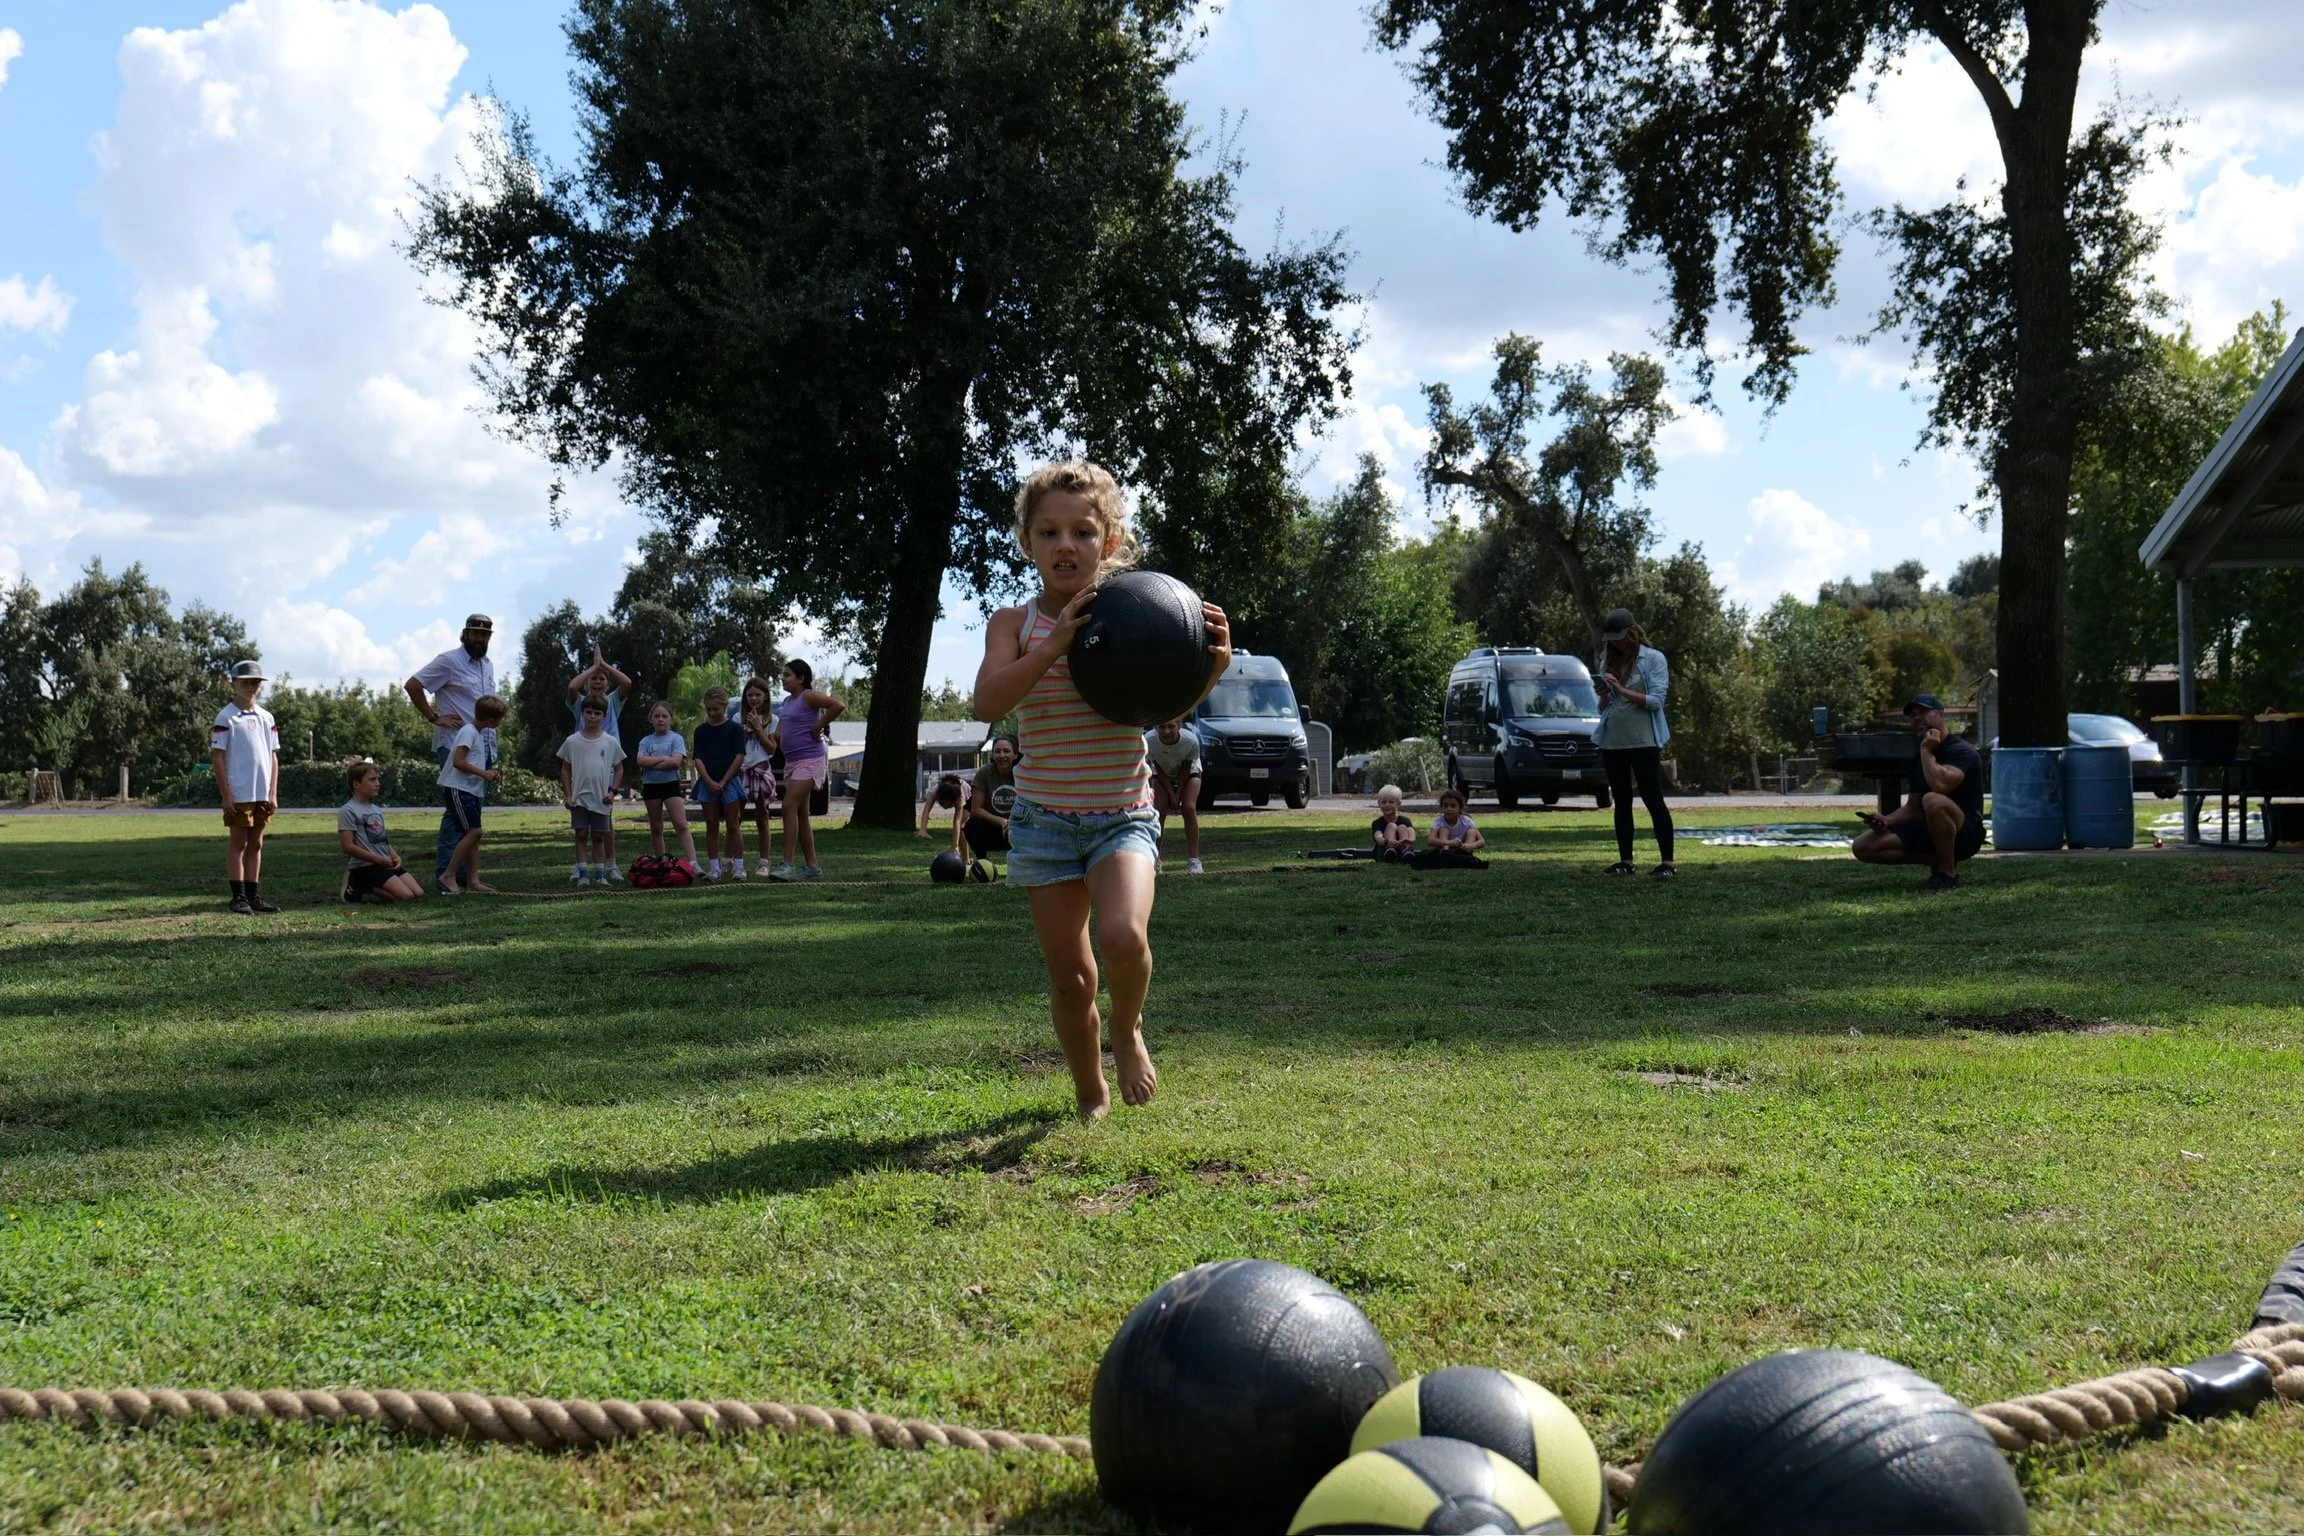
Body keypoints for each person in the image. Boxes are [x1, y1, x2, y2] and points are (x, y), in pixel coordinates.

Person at [973, 459, 1230, 1120]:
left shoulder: (1141, 613)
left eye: (1083, 532)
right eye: (1049, 532)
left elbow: (1158, 706)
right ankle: (1090, 1090)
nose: (1066, 545)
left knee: (1122, 938)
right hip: (1043, 821)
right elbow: (986, 702)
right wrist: (1054, 645)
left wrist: (1210, 670)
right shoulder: (1014, 622)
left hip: (1122, 814)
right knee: (1073, 979)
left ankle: (1128, 1028)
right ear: (1027, 543)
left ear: (1110, 542)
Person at [1851, 693, 1987, 890]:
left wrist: (1926, 751)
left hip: (1965, 834)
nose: (1917, 719)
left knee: (1933, 800)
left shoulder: (1961, 751)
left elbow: (1940, 785)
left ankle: (1947, 875)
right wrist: (1887, 820)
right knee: (1862, 846)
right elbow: (1913, 808)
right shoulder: (1917, 759)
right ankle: (1938, 860)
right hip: (1930, 829)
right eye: (1913, 716)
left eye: (1923, 712)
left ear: (1941, 715)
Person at [405, 615, 497, 885]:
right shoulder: (448, 661)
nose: (480, 639)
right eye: (475, 634)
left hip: (484, 747)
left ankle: (468, 876)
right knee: (455, 813)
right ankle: (448, 873)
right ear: (464, 634)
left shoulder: (487, 665)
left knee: (471, 813)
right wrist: (434, 717)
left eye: (485, 635)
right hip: (456, 746)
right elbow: (413, 685)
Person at [1593, 606, 1676, 877]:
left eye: (1618, 636)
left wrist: (1622, 690)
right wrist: (1605, 693)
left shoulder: (1653, 659)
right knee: (1622, 799)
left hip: (1643, 739)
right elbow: (1605, 707)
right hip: (1613, 738)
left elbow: (1656, 701)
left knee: (1653, 798)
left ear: (1631, 633)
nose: (1613, 643)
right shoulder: (1607, 661)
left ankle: (1667, 863)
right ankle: (1626, 861)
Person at [211, 658, 282, 914]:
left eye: (255, 683)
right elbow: (218, 756)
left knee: (257, 844)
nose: (251, 687)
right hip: (239, 791)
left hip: (261, 791)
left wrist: (272, 792)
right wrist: (226, 794)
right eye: (245, 682)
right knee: (238, 843)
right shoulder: (227, 716)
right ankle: (237, 896)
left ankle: (253, 895)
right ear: (234, 685)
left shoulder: (266, 717)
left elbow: (273, 756)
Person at [771, 659, 845, 881]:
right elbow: (778, 732)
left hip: (810, 759)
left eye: (788, 675)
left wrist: (818, 726)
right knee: (801, 813)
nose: (783, 678)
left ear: (801, 678)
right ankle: (812, 866)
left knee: (788, 806)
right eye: (782, 675)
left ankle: (787, 864)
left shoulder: (808, 696)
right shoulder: (787, 701)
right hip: (792, 762)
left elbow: (838, 705)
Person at [437, 694, 506, 894]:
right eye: (500, 719)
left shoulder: (476, 732)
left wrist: (486, 774)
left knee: (472, 835)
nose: (500, 723)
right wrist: (484, 773)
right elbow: (458, 762)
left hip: (470, 790)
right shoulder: (468, 732)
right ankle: (448, 875)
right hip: (460, 789)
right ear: (491, 720)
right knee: (475, 832)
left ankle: (472, 881)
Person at [558, 695, 628, 886]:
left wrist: (612, 791)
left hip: (601, 798)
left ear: (604, 716)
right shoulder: (572, 741)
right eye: (589, 712)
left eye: (597, 713)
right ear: (582, 714)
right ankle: (582, 874)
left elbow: (620, 768)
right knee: (580, 834)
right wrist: (568, 793)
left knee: (599, 836)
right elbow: (565, 768)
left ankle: (600, 874)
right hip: (579, 798)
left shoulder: (610, 741)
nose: (592, 716)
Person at [338, 762, 423, 903]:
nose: (377, 783)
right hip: (365, 867)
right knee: (406, 897)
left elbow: (381, 839)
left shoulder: (376, 810)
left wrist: (395, 856)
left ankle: (369, 886)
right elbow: (348, 847)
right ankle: (358, 884)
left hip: (383, 863)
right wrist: (378, 859)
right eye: (372, 779)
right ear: (356, 784)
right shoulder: (348, 810)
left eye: (378, 779)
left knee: (418, 894)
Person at [690, 685, 747, 879]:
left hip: (729, 782)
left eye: (716, 709)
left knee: (733, 825)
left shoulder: (735, 729)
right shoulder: (701, 731)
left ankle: (739, 866)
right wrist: (708, 781)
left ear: (725, 706)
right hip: (707, 784)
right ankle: (714, 867)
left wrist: (723, 781)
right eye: (709, 709)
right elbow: (697, 757)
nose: (712, 713)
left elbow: (739, 756)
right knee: (711, 825)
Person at [636, 701, 699, 867]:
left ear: (671, 719)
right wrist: (664, 758)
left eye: (664, 716)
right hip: (651, 786)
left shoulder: (676, 738)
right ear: (651, 719)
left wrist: (653, 761)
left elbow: (675, 762)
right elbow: (641, 761)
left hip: (671, 784)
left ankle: (693, 862)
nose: (660, 719)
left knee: (680, 823)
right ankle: (661, 862)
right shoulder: (646, 741)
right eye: (657, 716)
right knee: (656, 827)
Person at [1144, 718, 1205, 873]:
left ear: (1179, 726)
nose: (1166, 731)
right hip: (1164, 773)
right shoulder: (1149, 740)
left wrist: (1178, 794)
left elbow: (1186, 768)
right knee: (1158, 811)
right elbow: (1157, 767)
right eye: (1162, 726)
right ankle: (1155, 859)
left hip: (1189, 771)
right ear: (1156, 727)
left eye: (1171, 727)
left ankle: (1194, 860)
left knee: (1189, 808)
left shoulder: (1190, 741)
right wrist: (1171, 794)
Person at [736, 676, 780, 880]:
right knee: (735, 817)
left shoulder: (773, 720)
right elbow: (735, 746)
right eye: (750, 694)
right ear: (745, 697)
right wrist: (747, 727)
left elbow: (771, 749)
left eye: (758, 695)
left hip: (761, 768)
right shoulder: (737, 718)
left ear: (765, 697)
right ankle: (736, 861)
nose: (754, 698)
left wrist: (758, 727)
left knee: (762, 816)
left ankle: (764, 862)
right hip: (742, 768)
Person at [964, 733, 1020, 864]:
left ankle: (1025, 862)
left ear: (1015, 754)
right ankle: (983, 862)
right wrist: (1002, 821)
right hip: (995, 828)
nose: (1002, 755)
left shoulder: (1023, 773)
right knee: (971, 825)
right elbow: (976, 809)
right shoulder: (985, 772)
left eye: (1006, 751)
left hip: (1019, 827)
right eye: (997, 751)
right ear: (993, 755)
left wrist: (1014, 822)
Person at [567, 641, 631, 735]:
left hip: (609, 748)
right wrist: (594, 667)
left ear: (608, 685)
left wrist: (603, 664)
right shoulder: (580, 702)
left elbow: (627, 683)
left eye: (601, 679)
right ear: (586, 683)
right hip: (584, 748)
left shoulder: (613, 701)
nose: (597, 681)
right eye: (593, 678)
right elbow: (572, 687)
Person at [1428, 789, 1486, 856]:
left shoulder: (1466, 821)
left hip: (1463, 848)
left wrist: (1471, 846)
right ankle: (1446, 853)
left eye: (1453, 806)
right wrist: (1449, 843)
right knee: (1443, 830)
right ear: (1441, 807)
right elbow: (1430, 840)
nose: (1449, 809)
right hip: (1447, 847)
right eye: (1445, 806)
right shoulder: (1439, 821)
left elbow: (1482, 841)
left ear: (1460, 808)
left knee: (1472, 831)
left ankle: (1466, 853)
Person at [1370, 784, 1417, 862]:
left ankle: (1406, 852)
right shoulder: (1377, 823)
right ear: (1379, 804)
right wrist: (1388, 842)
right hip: (1384, 850)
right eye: (1384, 802)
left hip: (1401, 846)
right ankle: (1390, 851)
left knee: (1402, 827)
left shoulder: (1405, 821)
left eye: (1391, 802)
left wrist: (1408, 840)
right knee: (1391, 826)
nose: (1387, 805)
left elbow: (1412, 833)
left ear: (1398, 804)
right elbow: (1378, 837)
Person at [918, 772, 967, 838]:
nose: (945, 806)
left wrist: (954, 846)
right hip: (952, 793)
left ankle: (955, 845)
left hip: (969, 800)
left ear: (953, 801)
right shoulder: (933, 793)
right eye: (942, 803)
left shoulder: (960, 799)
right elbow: (926, 810)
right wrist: (923, 830)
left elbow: (957, 821)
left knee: (961, 826)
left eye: (947, 804)